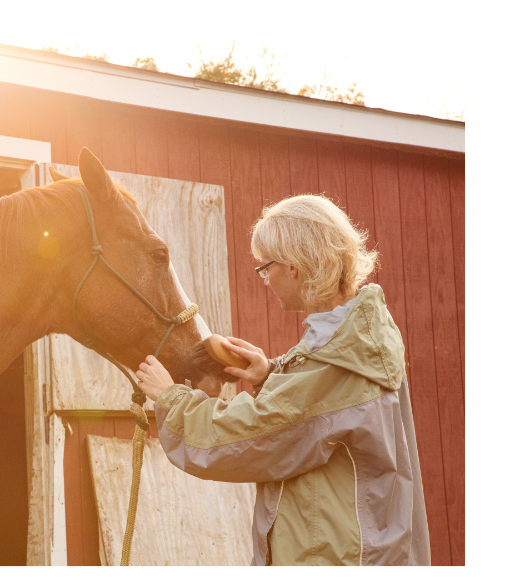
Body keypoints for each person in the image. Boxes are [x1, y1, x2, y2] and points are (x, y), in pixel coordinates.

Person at [134, 194, 431, 566]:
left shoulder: (340, 361)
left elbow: (248, 437)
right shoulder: (354, 338)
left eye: (265, 267)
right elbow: (316, 415)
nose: (264, 279)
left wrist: (170, 399)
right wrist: (269, 374)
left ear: (294, 266)